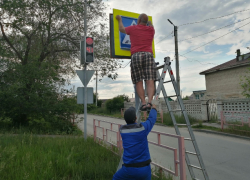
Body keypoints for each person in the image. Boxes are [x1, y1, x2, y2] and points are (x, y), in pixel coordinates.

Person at [116, 14, 156, 111]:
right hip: (148, 55)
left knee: (138, 81)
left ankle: (143, 103)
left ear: (138, 21)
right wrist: (149, 23)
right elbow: (151, 25)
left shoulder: (133, 28)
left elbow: (121, 29)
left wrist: (120, 20)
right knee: (150, 80)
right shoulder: (151, 30)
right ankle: (150, 102)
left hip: (136, 55)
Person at [112, 104, 157, 180]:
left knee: (116, 178)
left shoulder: (122, 130)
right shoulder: (143, 128)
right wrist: (154, 109)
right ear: (136, 118)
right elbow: (151, 119)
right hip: (144, 168)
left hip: (128, 169)